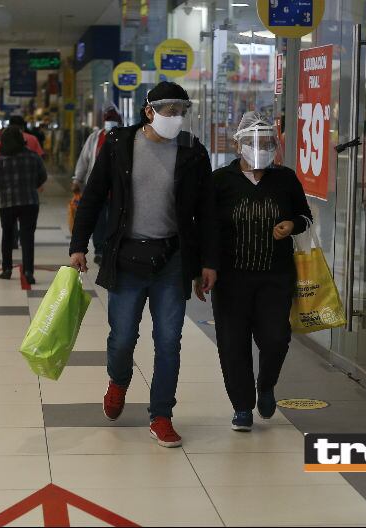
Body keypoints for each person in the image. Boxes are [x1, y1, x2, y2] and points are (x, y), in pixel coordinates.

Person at [69, 81, 218, 448]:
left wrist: (207, 262)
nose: (176, 118)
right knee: (122, 339)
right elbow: (92, 197)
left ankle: (162, 414)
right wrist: (78, 246)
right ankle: (118, 383)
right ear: (149, 111)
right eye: (169, 111)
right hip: (127, 257)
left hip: (172, 259)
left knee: (169, 340)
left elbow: (207, 211)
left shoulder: (192, 150)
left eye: (182, 111)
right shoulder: (119, 144)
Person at [209, 112, 312, 431]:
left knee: (276, 338)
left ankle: (266, 385)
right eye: (254, 142)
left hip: (275, 276)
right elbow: (208, 228)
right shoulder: (220, 181)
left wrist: (292, 224)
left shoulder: (285, 178)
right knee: (232, 343)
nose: (261, 148)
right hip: (231, 278)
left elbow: (306, 217)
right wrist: (204, 267)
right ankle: (242, 406)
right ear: (238, 145)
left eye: (267, 143)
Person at [0, 125, 47, 284]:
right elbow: (43, 176)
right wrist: (31, 186)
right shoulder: (33, 157)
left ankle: (6, 269)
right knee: (27, 237)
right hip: (30, 202)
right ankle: (29, 272)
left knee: (7, 236)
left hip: (7, 203)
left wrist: (0, 191)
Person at [73, 104, 123, 264]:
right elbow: (84, 159)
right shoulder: (95, 137)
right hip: (98, 188)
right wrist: (77, 179)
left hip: (118, 189)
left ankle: (112, 249)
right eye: (108, 119)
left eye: (113, 119)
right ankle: (100, 250)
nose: (111, 122)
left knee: (115, 220)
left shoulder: (126, 137)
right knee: (99, 221)